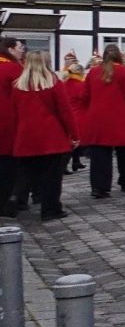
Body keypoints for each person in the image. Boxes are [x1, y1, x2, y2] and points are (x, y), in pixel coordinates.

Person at [11, 51, 76, 220]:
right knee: (51, 176)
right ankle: (50, 208)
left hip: (26, 135)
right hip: (51, 135)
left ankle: (14, 200)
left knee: (25, 173)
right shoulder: (53, 82)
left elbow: (14, 114)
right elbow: (65, 111)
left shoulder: (18, 85)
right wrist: (74, 134)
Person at [82, 44, 125, 198]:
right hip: (119, 116)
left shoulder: (93, 71)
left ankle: (99, 187)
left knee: (99, 154)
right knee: (123, 151)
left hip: (97, 116)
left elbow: (84, 95)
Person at [0, 37, 22, 215]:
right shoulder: (14, 69)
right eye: (19, 47)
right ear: (10, 49)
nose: (22, 50)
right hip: (8, 122)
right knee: (8, 167)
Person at [60, 55, 88, 175]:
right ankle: (63, 165)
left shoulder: (63, 83)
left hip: (67, 114)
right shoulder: (81, 85)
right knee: (75, 142)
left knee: (72, 141)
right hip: (79, 114)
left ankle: (76, 161)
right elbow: (85, 99)